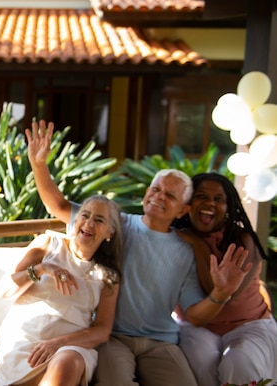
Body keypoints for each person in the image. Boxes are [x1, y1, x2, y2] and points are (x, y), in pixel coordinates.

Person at [25, 120, 250, 386]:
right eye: (155, 190)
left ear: (182, 211)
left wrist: (221, 294)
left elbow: (195, 315)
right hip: (113, 339)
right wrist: (39, 165)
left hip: (161, 342)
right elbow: (59, 206)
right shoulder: (116, 224)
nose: (159, 197)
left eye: (170, 195)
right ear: (146, 194)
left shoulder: (186, 250)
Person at [0, 195, 123, 386]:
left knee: (67, 364)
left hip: (70, 348)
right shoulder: (48, 244)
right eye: (85, 215)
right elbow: (4, 290)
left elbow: (102, 331)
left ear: (109, 232)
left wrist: (58, 343)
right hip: (24, 342)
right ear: (75, 220)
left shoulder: (107, 276)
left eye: (99, 220)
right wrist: (42, 269)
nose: (88, 223)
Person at [173, 172, 277, 385]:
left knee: (239, 361)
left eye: (219, 199)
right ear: (188, 203)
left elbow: (223, 294)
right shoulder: (176, 238)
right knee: (200, 361)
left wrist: (200, 246)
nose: (209, 203)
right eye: (201, 196)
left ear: (228, 208)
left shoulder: (243, 239)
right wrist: (195, 242)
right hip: (194, 326)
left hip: (248, 324)